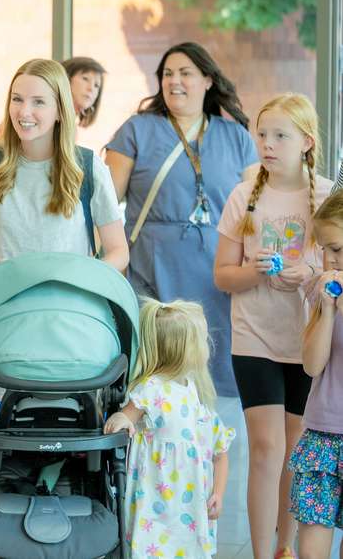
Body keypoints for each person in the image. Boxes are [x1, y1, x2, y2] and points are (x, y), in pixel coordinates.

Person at [214, 93, 333, 559]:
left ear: (305, 142)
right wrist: (256, 272)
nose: (267, 144)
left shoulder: (326, 196)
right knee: (264, 447)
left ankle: (285, 548)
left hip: (309, 342)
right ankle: (262, 554)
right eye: (262, 134)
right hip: (254, 338)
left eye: (279, 135)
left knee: (294, 451)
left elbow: (336, 271)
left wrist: (312, 275)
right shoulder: (243, 197)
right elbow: (223, 275)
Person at [105, 42, 258, 396]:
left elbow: (254, 210)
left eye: (185, 73)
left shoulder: (236, 137)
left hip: (216, 275)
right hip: (150, 268)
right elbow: (105, 204)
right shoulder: (136, 130)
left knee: (213, 375)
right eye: (168, 74)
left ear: (207, 80)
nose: (175, 81)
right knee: (152, 374)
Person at [0, 58, 128, 277]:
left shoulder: (90, 167)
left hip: (68, 303)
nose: (24, 112)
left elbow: (119, 251)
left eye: (38, 102)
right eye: (17, 99)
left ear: (59, 111)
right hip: (6, 302)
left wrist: (86, 275)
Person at [106, 299, 236, 557]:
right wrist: (121, 421)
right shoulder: (152, 389)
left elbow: (220, 452)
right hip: (157, 502)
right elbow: (125, 416)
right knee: (155, 549)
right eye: (202, 338)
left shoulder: (194, 393)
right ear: (184, 349)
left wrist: (218, 494)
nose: (207, 343)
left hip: (191, 506)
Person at [287, 191, 343, 559]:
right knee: (311, 545)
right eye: (325, 249)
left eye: (337, 248)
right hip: (324, 434)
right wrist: (327, 308)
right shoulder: (320, 291)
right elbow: (312, 365)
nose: (330, 259)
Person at [61, 55, 106, 128]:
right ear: (66, 78)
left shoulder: (71, 127)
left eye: (96, 85)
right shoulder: (50, 119)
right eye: (85, 79)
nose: (91, 88)